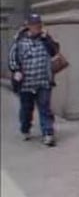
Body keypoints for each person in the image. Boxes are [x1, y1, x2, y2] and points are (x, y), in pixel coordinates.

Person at [8, 13, 60, 146]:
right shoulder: (19, 40)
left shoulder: (46, 38)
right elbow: (12, 57)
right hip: (26, 83)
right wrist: (16, 70)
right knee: (26, 109)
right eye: (33, 24)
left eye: (38, 24)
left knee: (45, 108)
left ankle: (48, 133)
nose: (36, 27)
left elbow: (55, 52)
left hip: (44, 81)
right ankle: (25, 129)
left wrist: (47, 39)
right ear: (28, 25)